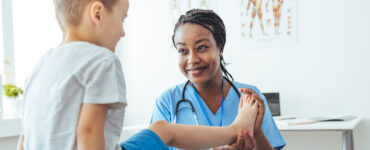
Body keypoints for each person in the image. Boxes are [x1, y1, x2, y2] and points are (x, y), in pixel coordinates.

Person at [16, 0, 263, 150]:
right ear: (98, 13)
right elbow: (89, 131)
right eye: (123, 18)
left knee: (162, 129)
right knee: (165, 130)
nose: (123, 32)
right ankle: (236, 129)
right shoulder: (101, 60)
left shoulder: (41, 65)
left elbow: (25, 138)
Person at [151, 9, 286, 150]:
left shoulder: (249, 98)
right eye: (183, 51)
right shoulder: (168, 101)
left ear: (220, 48)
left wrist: (256, 132)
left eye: (202, 47)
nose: (192, 59)